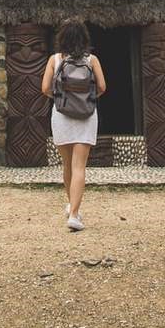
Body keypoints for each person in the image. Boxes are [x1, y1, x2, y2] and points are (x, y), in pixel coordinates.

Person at [41, 18, 106, 231]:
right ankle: (75, 214)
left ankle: (72, 207)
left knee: (67, 165)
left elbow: (45, 89)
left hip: (61, 116)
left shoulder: (54, 59)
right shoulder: (92, 60)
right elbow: (103, 87)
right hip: (86, 116)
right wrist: (86, 99)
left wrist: (62, 98)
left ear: (62, 38)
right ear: (84, 38)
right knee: (80, 166)